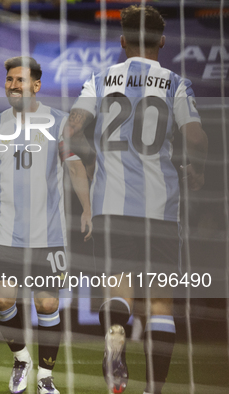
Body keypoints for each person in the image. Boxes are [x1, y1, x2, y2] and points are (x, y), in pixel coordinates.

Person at [63, 6, 208, 394]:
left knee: (118, 290)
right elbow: (195, 139)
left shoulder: (100, 79)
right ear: (162, 41)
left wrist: (88, 159)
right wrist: (198, 168)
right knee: (160, 303)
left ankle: (114, 337)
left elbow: (71, 129)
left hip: (111, 207)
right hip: (161, 209)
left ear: (122, 41)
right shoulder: (175, 82)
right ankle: (154, 389)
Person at [0, 56, 92, 394]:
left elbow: (74, 166)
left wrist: (87, 208)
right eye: (9, 80)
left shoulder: (58, 121)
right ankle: (21, 358)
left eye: (20, 80)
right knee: (1, 300)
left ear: (36, 85)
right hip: (6, 232)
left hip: (48, 234)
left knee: (47, 304)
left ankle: (45, 377)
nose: (13, 85)